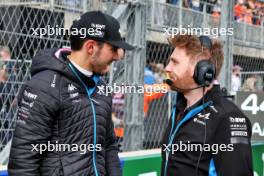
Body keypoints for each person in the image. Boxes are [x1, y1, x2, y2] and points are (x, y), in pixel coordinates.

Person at [8, 11, 134, 176]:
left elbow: (109, 146)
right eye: (113, 48)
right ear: (90, 47)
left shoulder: (101, 86)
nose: (118, 56)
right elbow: (23, 162)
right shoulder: (45, 85)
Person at [161, 34, 253, 176]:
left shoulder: (227, 117)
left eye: (175, 62)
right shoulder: (179, 109)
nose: (167, 68)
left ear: (203, 70)